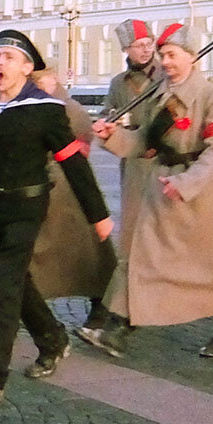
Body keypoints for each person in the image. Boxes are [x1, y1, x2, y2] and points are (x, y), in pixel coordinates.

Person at [0, 30, 112, 406]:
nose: (0, 63)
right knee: (19, 284)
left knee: (4, 288)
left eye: (9, 58)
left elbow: (73, 163)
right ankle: (52, 337)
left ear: (27, 68)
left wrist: (98, 215)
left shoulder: (46, 109)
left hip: (27, 210)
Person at [92, 24, 213, 358]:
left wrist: (187, 184)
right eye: (163, 55)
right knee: (144, 257)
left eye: (172, 55)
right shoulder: (162, 95)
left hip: (202, 195)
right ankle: (119, 327)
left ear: (191, 57)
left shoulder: (212, 97)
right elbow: (144, 142)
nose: (165, 61)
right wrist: (110, 136)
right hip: (161, 187)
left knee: (210, 264)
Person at [77, 18, 159, 350]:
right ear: (126, 49)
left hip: (165, 164)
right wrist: (114, 122)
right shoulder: (119, 82)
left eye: (149, 42)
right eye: (139, 44)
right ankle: (114, 316)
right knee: (134, 242)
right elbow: (111, 114)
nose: (147, 48)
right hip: (136, 168)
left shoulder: (166, 75)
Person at [27, 68, 117, 345]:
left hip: (69, 189)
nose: (39, 86)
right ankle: (11, 307)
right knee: (25, 253)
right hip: (44, 186)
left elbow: (79, 146)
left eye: (43, 81)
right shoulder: (32, 104)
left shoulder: (71, 109)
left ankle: (102, 306)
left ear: (53, 80)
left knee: (89, 253)